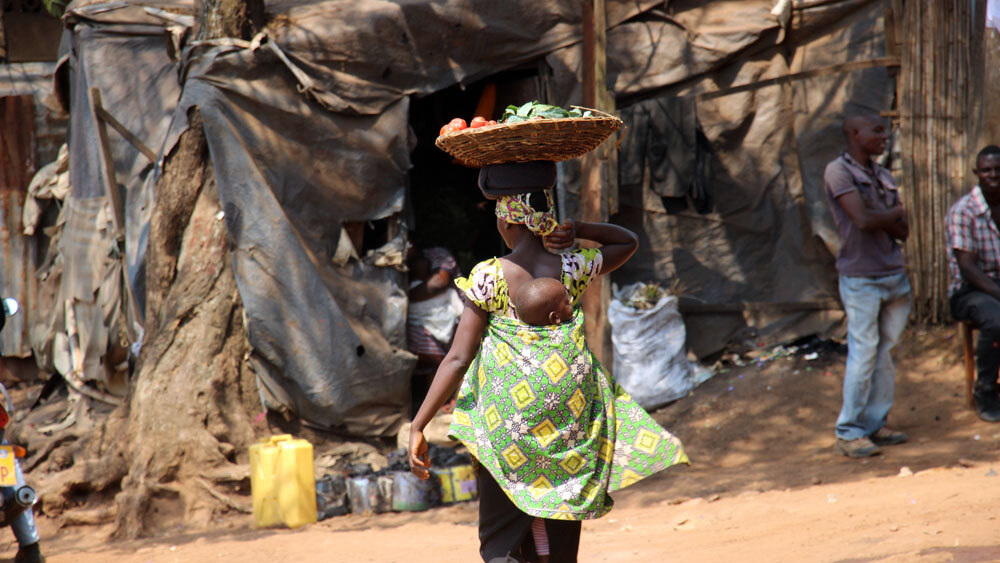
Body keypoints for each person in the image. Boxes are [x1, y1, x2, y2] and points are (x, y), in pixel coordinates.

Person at [408, 179, 687, 562]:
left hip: (507, 425)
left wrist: (418, 424)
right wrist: (579, 229)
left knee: (502, 538)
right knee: (559, 518)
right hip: (568, 423)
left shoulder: (489, 275)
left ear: (508, 222)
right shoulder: (571, 267)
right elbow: (627, 242)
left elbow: (457, 358)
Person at [824, 113, 911, 459]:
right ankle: (848, 432)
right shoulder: (838, 171)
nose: (884, 136)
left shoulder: (883, 175)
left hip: (894, 275)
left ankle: (875, 424)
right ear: (855, 133)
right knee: (863, 353)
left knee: (884, 354)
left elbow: (904, 231)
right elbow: (861, 220)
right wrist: (891, 213)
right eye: (877, 130)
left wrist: (883, 217)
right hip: (861, 278)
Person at [946, 145, 1000, 421]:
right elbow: (967, 267)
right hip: (970, 289)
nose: (993, 175)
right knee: (997, 319)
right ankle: (986, 388)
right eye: (987, 170)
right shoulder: (964, 211)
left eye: (998, 170)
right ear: (976, 173)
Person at [406, 245, 463, 407]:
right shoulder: (446, 292)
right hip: (446, 332)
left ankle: (437, 404)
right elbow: (460, 311)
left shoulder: (406, 293)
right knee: (447, 366)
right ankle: (447, 401)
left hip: (429, 336)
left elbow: (440, 281)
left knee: (442, 366)